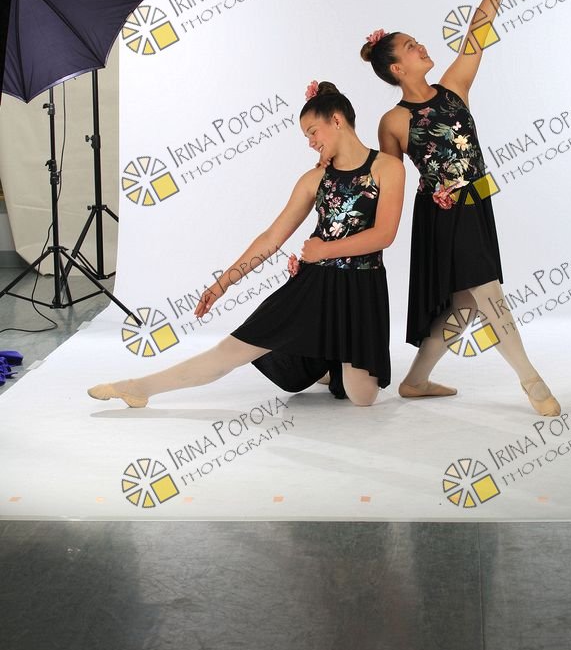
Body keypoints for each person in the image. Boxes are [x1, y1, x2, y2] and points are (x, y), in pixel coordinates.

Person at [88, 81, 405, 409]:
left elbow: (384, 234)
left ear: (336, 120)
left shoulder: (388, 167)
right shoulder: (314, 180)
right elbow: (271, 238)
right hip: (315, 286)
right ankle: (138, 387)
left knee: (362, 398)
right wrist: (223, 283)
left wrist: (325, 250)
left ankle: (330, 360)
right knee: (230, 351)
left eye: (313, 132)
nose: (310, 142)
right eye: (306, 137)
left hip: (362, 289)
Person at [360, 0, 561, 416]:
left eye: (418, 41)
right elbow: (389, 180)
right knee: (488, 290)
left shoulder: (454, 88)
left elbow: (477, 33)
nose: (421, 47)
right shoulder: (393, 122)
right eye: (411, 47)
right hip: (442, 215)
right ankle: (531, 381)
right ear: (397, 69)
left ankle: (415, 381)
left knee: (464, 306)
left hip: (478, 201)